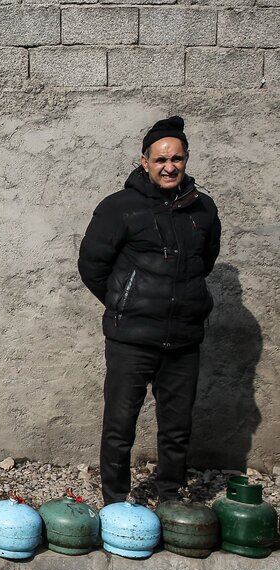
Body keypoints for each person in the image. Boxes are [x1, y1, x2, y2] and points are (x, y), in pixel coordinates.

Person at [78, 116, 221, 505]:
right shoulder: (119, 208)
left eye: (176, 158)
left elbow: (203, 263)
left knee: (176, 427)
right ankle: (115, 501)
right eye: (160, 160)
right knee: (120, 425)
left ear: (186, 159)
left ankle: (170, 498)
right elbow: (92, 266)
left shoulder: (203, 209)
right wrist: (125, 302)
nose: (169, 166)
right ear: (144, 162)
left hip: (184, 339)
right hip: (132, 340)